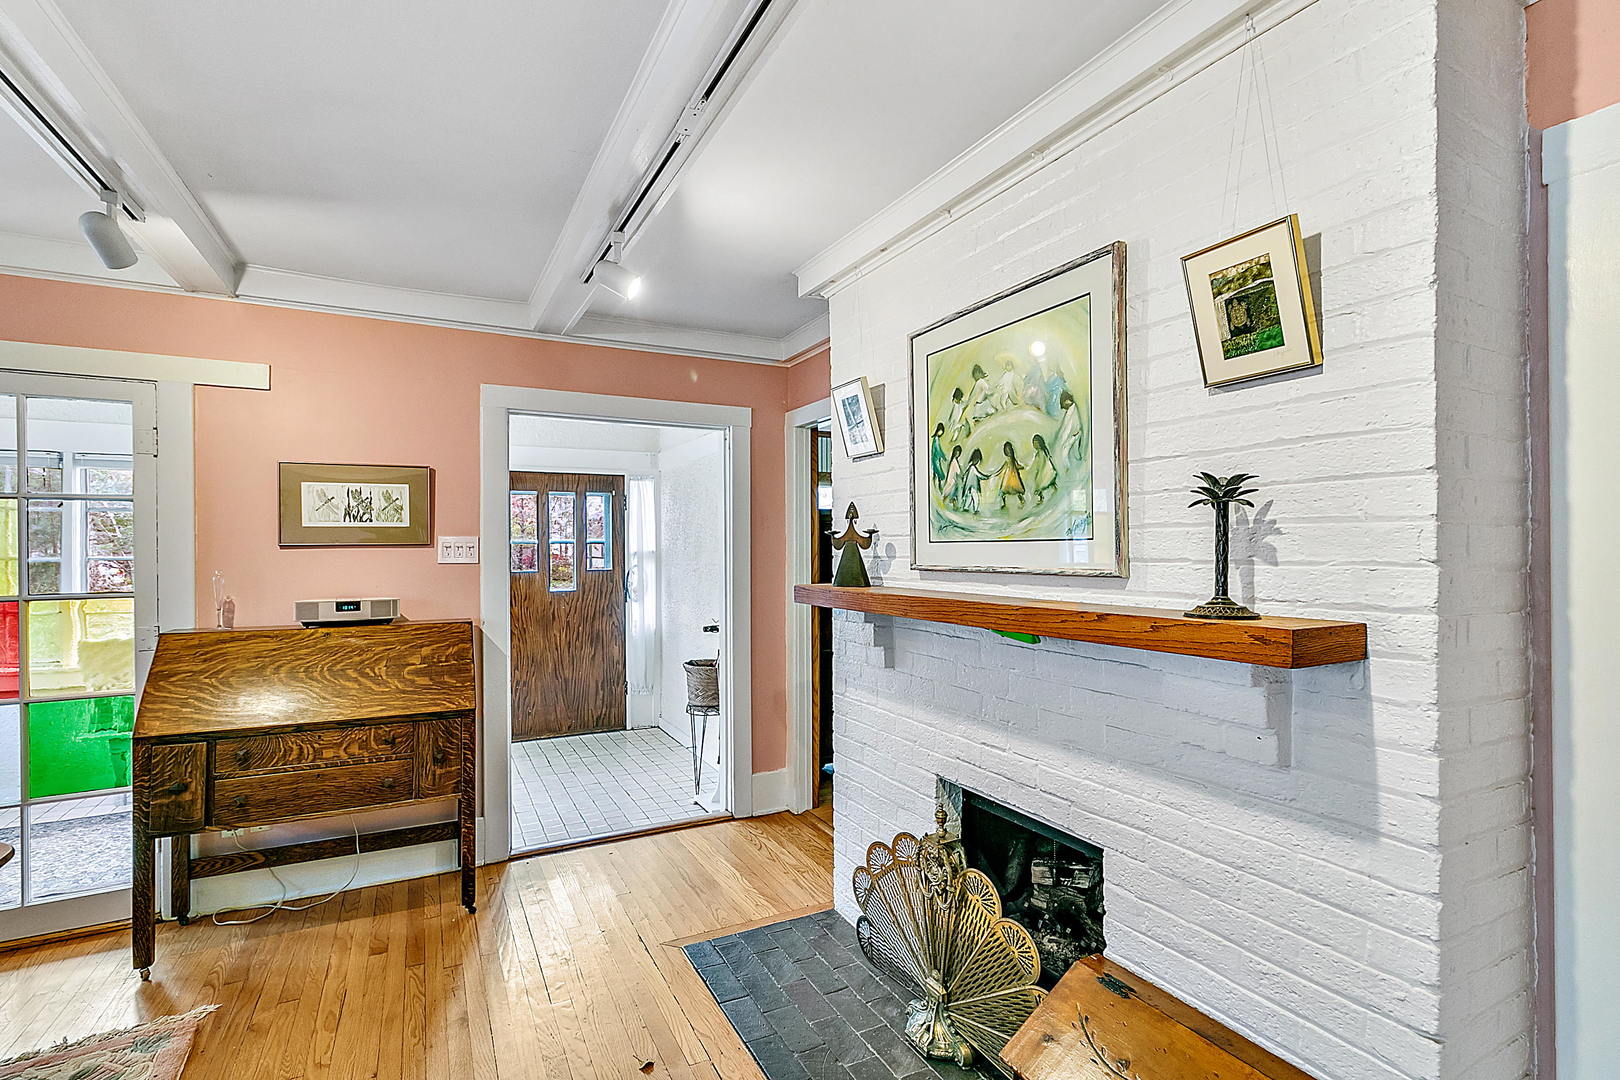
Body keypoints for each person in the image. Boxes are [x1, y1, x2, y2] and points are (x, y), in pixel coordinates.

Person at [952, 447, 990, 514]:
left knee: (969, 497)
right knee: (975, 497)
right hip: (973, 486)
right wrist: (986, 477)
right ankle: (975, 509)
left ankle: (966, 508)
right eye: (978, 460)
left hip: (968, 486)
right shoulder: (973, 468)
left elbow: (965, 475)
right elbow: (979, 475)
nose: (978, 462)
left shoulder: (970, 467)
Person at [1055, 391, 1084, 467]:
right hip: (1074, 435)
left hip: (1074, 435)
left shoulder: (1072, 410)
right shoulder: (1071, 409)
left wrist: (1063, 439)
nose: (1063, 406)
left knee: (1065, 452)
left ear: (1067, 400)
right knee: (1075, 454)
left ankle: (1067, 468)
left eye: (1063, 403)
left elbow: (1070, 427)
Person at [996, 441, 1027, 512]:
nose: (1008, 451)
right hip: (1007, 477)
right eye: (1007, 450)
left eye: (1009, 449)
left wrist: (1022, 467)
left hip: (1014, 477)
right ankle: (1004, 504)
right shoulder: (1007, 460)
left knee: (1017, 489)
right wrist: (998, 472)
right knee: (1004, 490)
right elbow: (1003, 467)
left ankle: (1022, 501)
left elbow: (1017, 465)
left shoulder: (1013, 459)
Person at [1028, 434, 1059, 503]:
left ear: (1040, 443)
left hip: (1045, 470)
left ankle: (1046, 495)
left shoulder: (1042, 452)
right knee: (1040, 483)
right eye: (1034, 443)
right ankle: (1041, 497)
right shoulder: (1038, 453)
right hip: (1041, 470)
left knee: (1042, 482)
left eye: (1036, 443)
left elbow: (1043, 462)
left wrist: (1039, 471)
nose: (1035, 445)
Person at [930, 423, 949, 489]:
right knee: (940, 474)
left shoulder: (936, 439)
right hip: (935, 459)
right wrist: (943, 457)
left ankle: (936, 486)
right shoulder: (936, 439)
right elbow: (938, 450)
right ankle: (938, 487)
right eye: (941, 431)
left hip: (936, 459)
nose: (941, 433)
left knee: (936, 473)